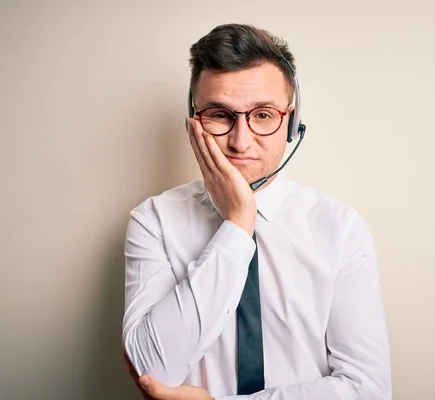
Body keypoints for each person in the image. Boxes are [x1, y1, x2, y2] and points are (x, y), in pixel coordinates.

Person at [122, 23, 392, 400]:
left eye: (263, 115)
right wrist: (237, 223)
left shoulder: (340, 229)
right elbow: (152, 370)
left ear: (291, 123)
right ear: (193, 122)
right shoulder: (154, 221)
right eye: (219, 114)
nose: (240, 140)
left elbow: (367, 390)